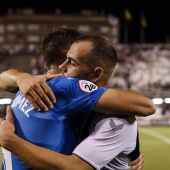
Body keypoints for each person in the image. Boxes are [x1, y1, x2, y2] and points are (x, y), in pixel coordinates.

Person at [0, 29, 155, 169]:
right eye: (67, 59)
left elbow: (3, 79)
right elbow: (146, 106)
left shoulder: (28, 86)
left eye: (72, 62)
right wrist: (10, 141)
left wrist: (20, 76)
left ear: (43, 59)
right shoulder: (66, 88)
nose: (63, 66)